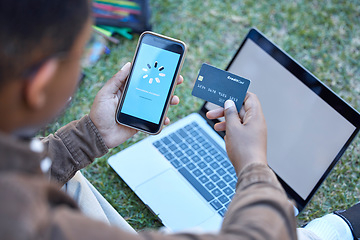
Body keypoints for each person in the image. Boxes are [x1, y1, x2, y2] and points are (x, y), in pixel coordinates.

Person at [0, 0, 299, 239]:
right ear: (40, 85)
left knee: (68, 181)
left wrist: (90, 136)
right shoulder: (30, 221)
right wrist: (254, 165)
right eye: (83, 56)